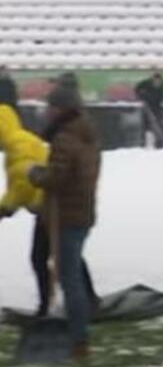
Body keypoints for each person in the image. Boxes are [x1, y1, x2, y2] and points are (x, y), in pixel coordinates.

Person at [0, 102, 99, 318]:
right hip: (51, 206)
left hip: (51, 208)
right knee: (66, 257)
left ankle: (54, 307)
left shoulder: (18, 145)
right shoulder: (21, 139)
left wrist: (6, 207)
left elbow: (23, 182)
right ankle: (88, 300)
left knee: (47, 257)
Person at [28, 81, 102, 360]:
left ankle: (78, 339)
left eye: (51, 107)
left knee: (70, 279)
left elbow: (57, 178)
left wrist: (36, 174)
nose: (47, 112)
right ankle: (76, 333)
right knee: (70, 272)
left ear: (60, 110)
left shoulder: (65, 138)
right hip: (80, 212)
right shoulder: (86, 133)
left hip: (67, 215)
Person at [135, 73, 163, 148]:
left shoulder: (162, 86)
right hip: (146, 106)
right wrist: (142, 96)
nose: (157, 82)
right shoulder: (146, 83)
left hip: (156, 107)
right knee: (146, 125)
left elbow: (160, 98)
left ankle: (159, 143)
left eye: (159, 81)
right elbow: (137, 89)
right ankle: (144, 143)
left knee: (158, 125)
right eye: (156, 81)